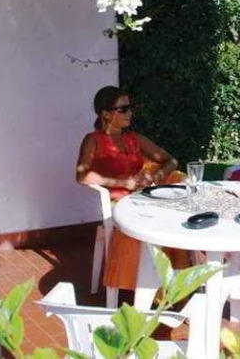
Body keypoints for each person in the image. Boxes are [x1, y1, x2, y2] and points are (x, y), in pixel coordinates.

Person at [76, 85, 182, 291]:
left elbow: (171, 160)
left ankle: (170, 281)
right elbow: (82, 175)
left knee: (174, 220)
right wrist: (124, 183)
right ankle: (148, 285)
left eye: (130, 108)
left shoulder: (134, 138)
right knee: (154, 223)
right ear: (106, 114)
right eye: (123, 109)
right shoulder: (93, 140)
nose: (130, 112)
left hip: (142, 198)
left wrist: (157, 175)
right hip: (118, 203)